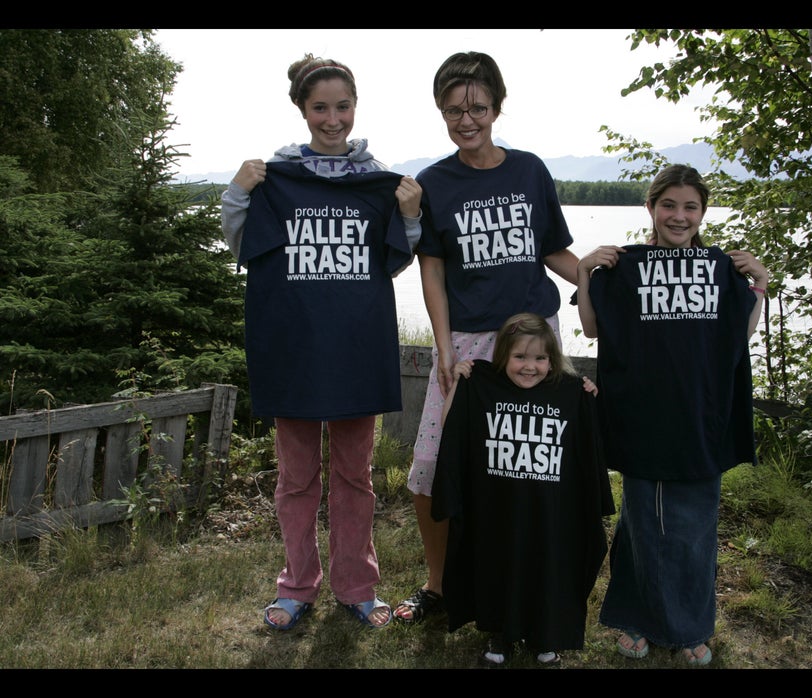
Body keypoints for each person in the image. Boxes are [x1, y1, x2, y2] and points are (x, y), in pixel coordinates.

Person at [221, 54, 423, 631]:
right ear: (302, 110)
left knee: (355, 477)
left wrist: (408, 215)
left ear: (355, 108)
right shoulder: (273, 178)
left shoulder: (377, 180)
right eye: (320, 108)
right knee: (296, 478)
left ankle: (358, 588)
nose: (332, 119)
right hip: (294, 350)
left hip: (356, 349)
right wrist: (238, 192)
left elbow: (394, 259)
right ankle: (297, 587)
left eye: (342, 106)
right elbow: (240, 245)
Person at [394, 51, 581, 624]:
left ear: (497, 107)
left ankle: (530, 584)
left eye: (476, 106)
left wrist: (607, 285)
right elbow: (433, 271)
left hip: (532, 343)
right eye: (453, 109)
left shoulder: (528, 170)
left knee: (530, 468)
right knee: (430, 467)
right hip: (468, 346)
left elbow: (550, 252)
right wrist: (444, 348)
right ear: (441, 113)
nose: (465, 119)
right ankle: (439, 584)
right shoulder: (434, 182)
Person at [575, 164, 768, 666]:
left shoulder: (718, 268)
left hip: (700, 418)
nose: (679, 216)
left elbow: (737, 338)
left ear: (703, 213)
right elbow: (594, 330)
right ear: (651, 208)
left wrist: (760, 287)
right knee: (641, 522)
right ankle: (637, 619)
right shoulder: (627, 268)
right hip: (643, 416)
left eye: (690, 207)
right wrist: (583, 272)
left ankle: (690, 626)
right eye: (669, 205)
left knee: (695, 527)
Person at [430, 312, 614, 666]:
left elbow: (587, 443)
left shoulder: (569, 393)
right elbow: (453, 426)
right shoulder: (482, 385)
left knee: (547, 568)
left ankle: (546, 635)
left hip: (549, 511)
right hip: (497, 507)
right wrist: (459, 385)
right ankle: (500, 634)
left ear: (552, 359)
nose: (530, 366)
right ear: (503, 357)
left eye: (540, 358)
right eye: (520, 357)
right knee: (498, 565)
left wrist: (585, 395)